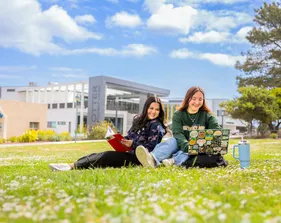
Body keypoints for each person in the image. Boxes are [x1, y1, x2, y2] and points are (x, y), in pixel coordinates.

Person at [49, 96, 167, 171]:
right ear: (146, 108)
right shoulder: (139, 120)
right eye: (151, 108)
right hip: (128, 152)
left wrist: (132, 144)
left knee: (106, 156)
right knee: (100, 154)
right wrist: (119, 139)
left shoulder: (156, 126)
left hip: (139, 159)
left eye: (157, 110)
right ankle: (72, 164)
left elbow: (151, 148)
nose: (153, 112)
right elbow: (130, 137)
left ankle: (71, 167)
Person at [136, 86, 222, 168]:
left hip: (197, 146)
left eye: (200, 99)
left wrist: (195, 146)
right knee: (173, 141)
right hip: (180, 143)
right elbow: (178, 134)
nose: (197, 102)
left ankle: (173, 161)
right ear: (188, 99)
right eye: (194, 98)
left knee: (196, 147)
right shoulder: (178, 114)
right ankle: (152, 158)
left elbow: (216, 132)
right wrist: (188, 146)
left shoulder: (207, 116)